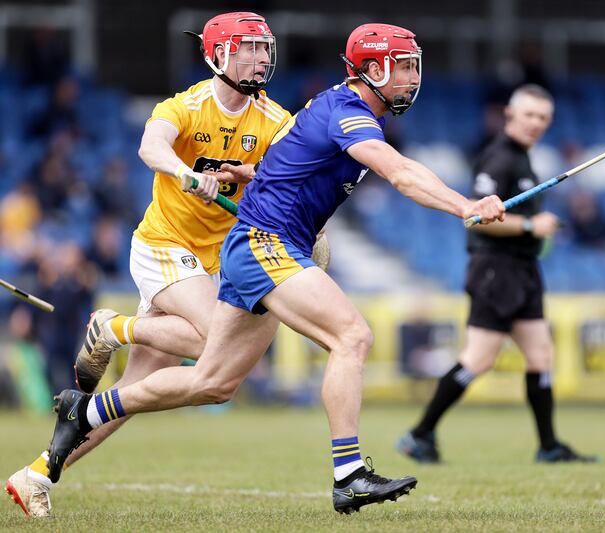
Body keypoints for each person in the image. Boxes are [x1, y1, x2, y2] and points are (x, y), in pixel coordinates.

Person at [39, 23, 505, 515]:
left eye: (415, 66)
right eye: (404, 67)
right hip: (257, 242)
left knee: (212, 383)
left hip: (251, 246)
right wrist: (464, 206)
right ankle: (349, 475)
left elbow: (286, 164)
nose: (413, 77)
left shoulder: (322, 111)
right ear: (372, 69)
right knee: (352, 336)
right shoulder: (348, 112)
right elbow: (401, 173)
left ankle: (84, 411)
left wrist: (247, 174)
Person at [5, 12, 293, 517]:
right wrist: (184, 172)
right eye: (249, 48)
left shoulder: (275, 120)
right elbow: (150, 144)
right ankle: (114, 326)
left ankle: (36, 475)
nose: (262, 58)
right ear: (218, 55)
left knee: (130, 398)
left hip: (214, 262)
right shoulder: (186, 105)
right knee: (213, 345)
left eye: (265, 48)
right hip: (163, 245)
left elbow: (291, 177)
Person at [396, 84, 597, 464]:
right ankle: (419, 435)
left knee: (540, 356)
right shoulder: (497, 159)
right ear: (510, 115)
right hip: (495, 270)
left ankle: (549, 445)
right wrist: (529, 227)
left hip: (524, 270)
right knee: (479, 359)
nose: (536, 123)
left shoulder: (523, 159)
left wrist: (535, 226)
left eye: (543, 117)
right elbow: (477, 218)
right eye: (529, 115)